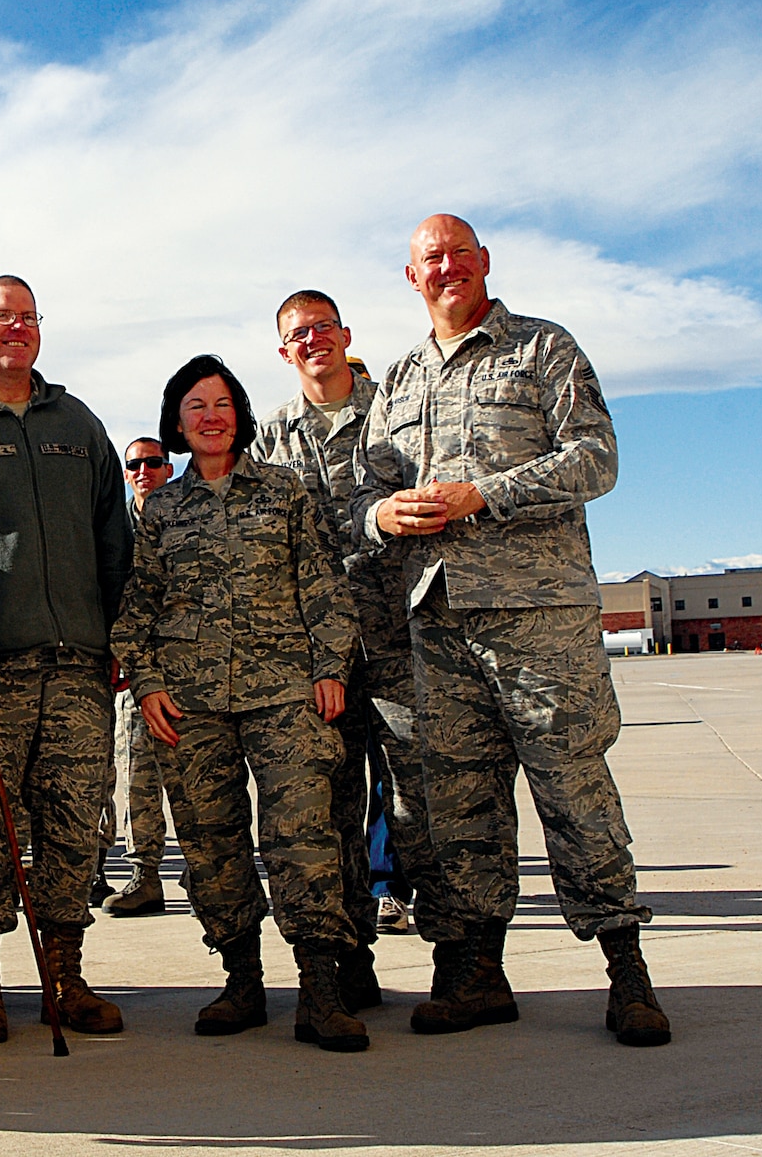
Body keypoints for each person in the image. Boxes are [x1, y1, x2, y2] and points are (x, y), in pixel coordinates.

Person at [352, 213, 669, 1047]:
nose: (446, 266)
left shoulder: (542, 349)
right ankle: (474, 973)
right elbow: (365, 493)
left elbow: (595, 457)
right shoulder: (398, 378)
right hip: (439, 620)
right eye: (431, 257)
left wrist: (484, 492)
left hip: (540, 618)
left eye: (459, 252)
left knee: (574, 789)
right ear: (411, 275)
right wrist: (386, 511)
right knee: (460, 805)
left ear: (485, 262)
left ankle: (626, 970)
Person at [111, 355, 367, 1052]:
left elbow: (322, 583)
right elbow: (137, 606)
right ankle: (242, 980)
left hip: (286, 692)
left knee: (304, 838)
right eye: (196, 406)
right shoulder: (160, 510)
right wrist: (150, 681)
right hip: (190, 703)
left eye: (221, 402)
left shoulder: (284, 491)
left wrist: (328, 664)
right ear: (177, 423)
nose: (211, 416)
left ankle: (320, 986)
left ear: (240, 412)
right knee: (211, 842)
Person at [0, 276, 133, 1045]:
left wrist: (117, 634)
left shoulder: (76, 422)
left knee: (72, 825)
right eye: (0, 317)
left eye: (28, 317)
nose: (15, 329)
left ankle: (64, 974)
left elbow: (113, 536)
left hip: (80, 663)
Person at [255, 289, 445, 1002]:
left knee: (421, 801)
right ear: (284, 350)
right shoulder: (269, 436)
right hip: (317, 658)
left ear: (345, 334)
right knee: (329, 810)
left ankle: (458, 954)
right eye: (298, 334)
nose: (312, 342)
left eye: (323, 329)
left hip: (401, 640)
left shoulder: (395, 414)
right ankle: (346, 956)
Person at [102, 438, 177, 917]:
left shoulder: (187, 518)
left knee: (204, 783)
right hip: (135, 673)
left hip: (195, 673)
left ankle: (206, 872)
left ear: (169, 469)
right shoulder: (116, 527)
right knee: (136, 778)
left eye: (152, 462)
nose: (143, 470)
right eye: (134, 464)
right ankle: (144, 873)